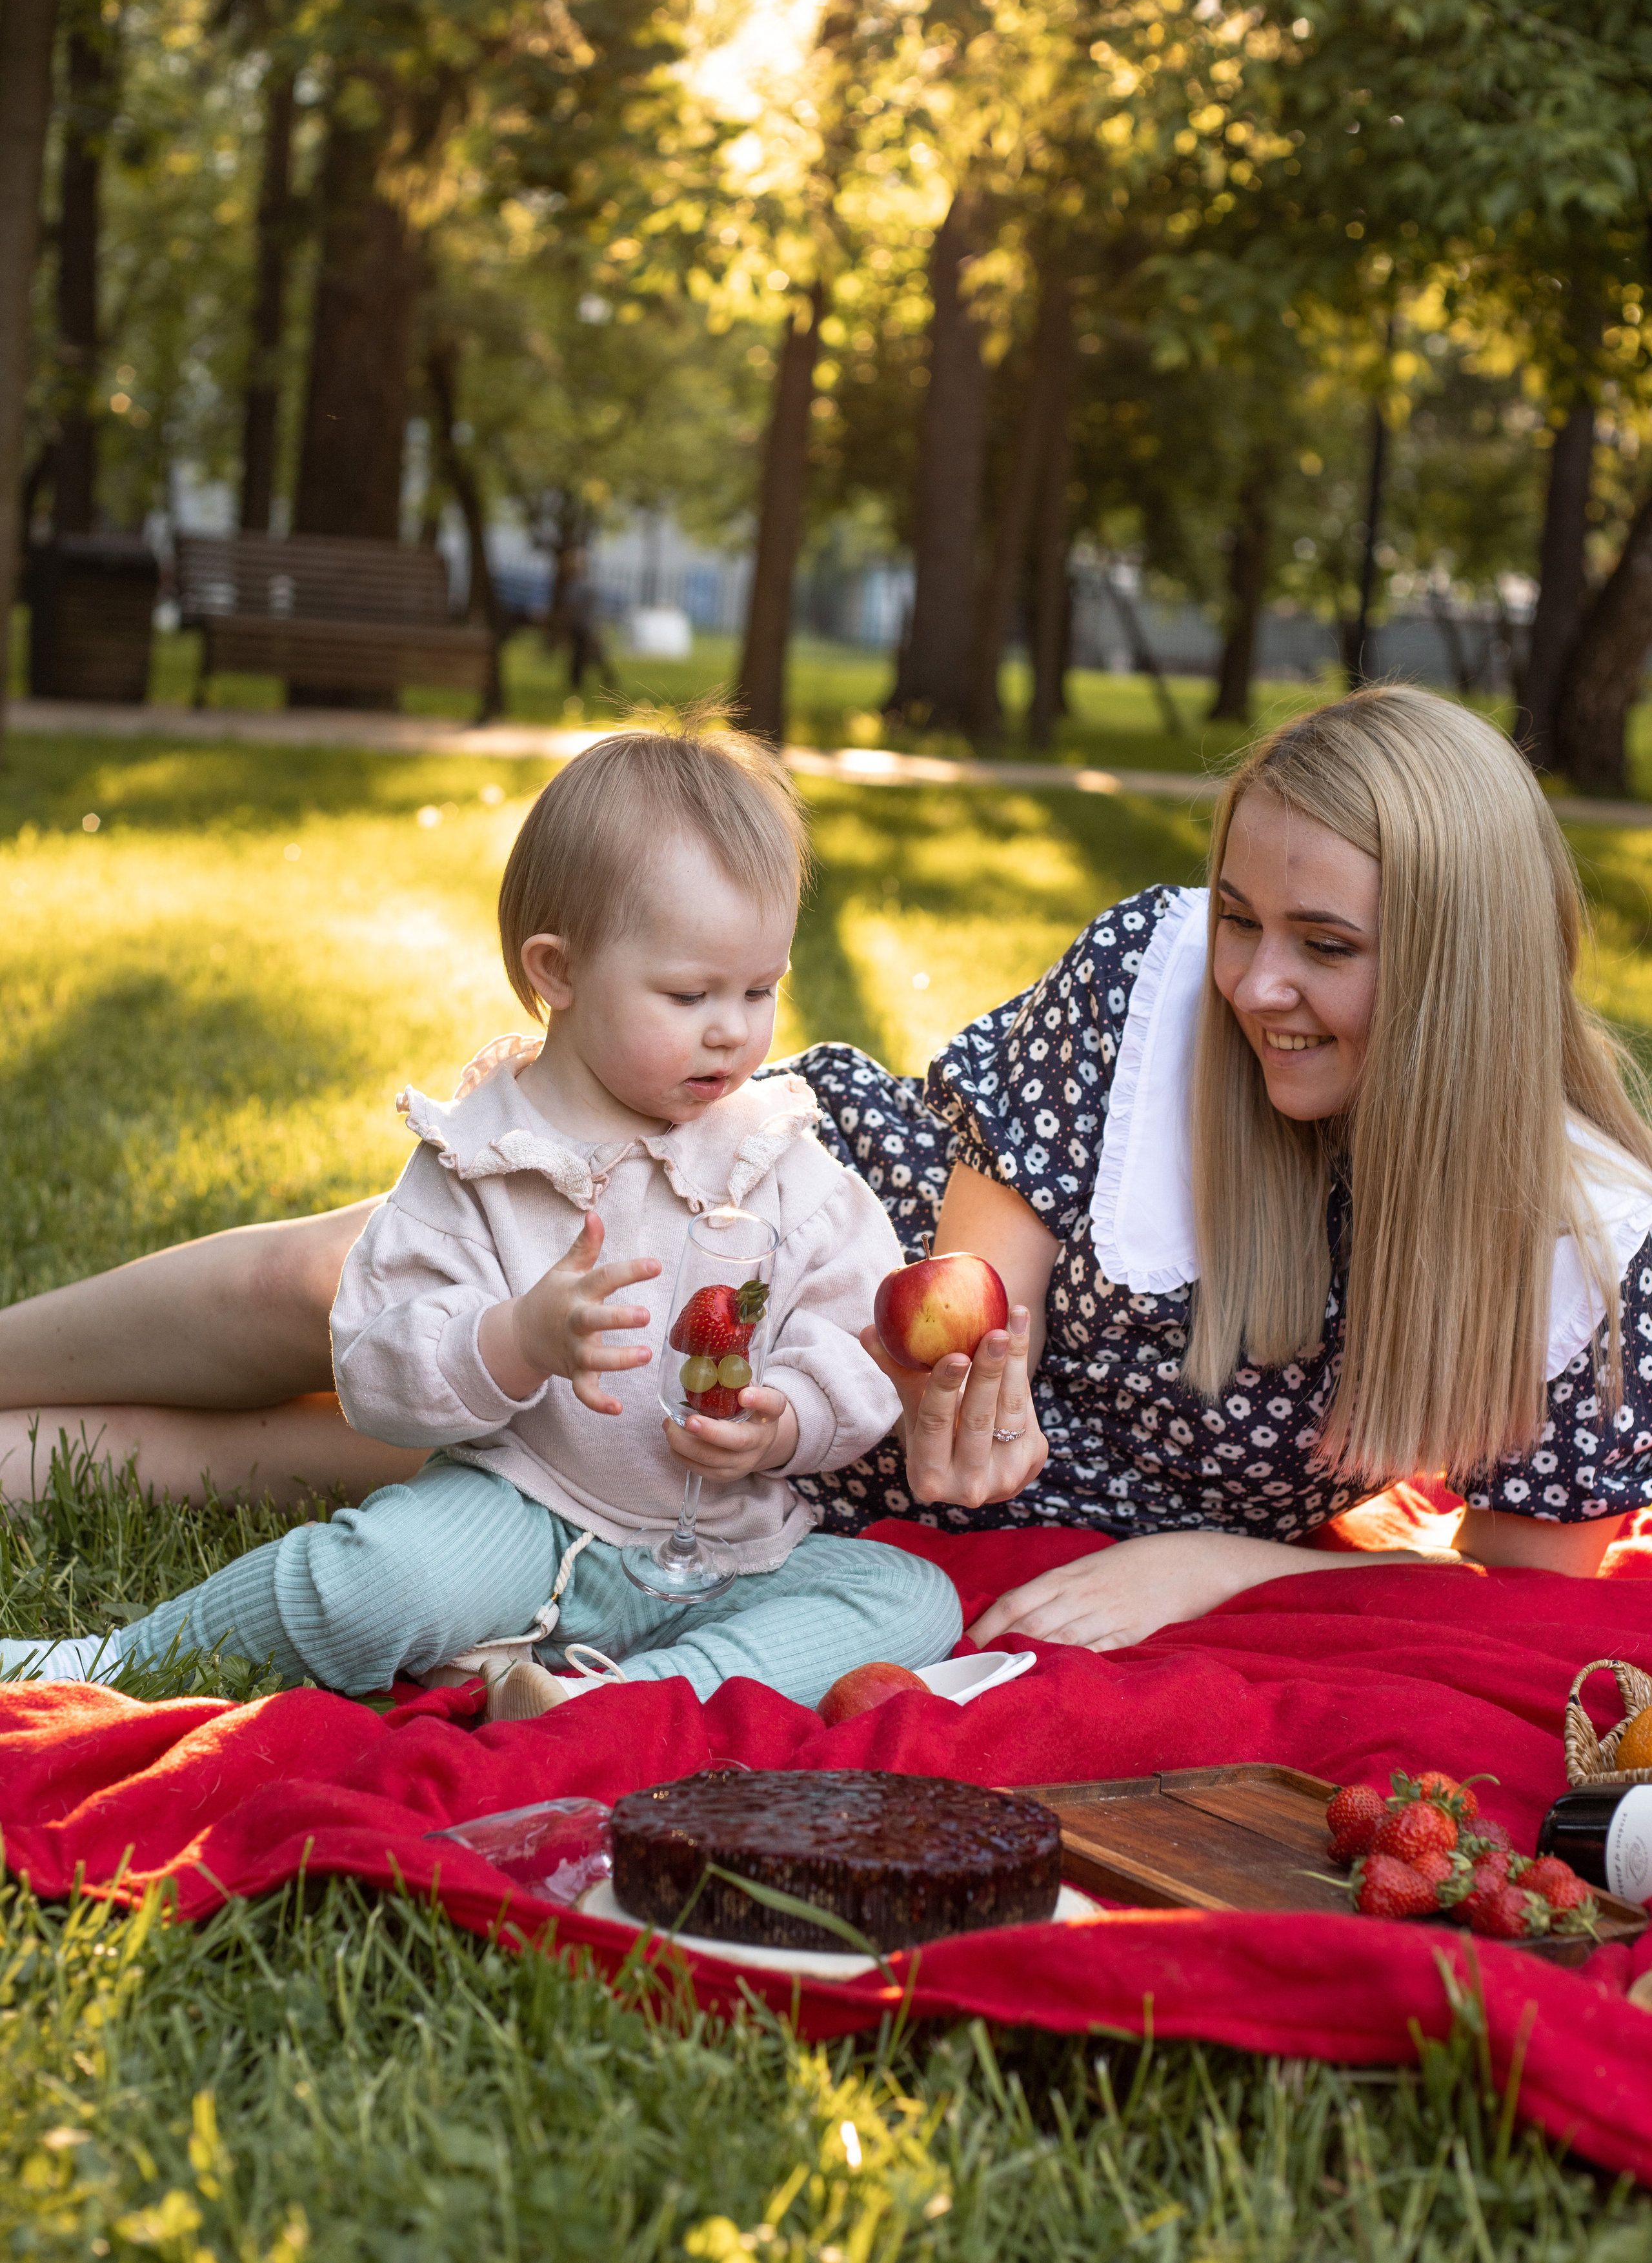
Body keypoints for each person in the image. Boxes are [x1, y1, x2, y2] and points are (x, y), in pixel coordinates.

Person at [5, 688, 1649, 1654]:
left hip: (787, 1492)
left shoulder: (1575, 1250)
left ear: (1461, 970)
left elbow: (1512, 1594)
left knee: (331, 1472)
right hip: (802, 1284)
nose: (1251, 981)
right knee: (328, 1295)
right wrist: (952, 1371)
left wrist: (1226, 1561)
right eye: (1240, 916)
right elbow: (955, 1278)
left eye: (1325, 945)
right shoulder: (1155, 986)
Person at [0, 728, 962, 1710]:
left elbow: (854, 1329)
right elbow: (380, 1370)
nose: (734, 1027)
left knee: (911, 1601)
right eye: (689, 993)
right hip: (521, 1507)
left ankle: (616, 1703)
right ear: (558, 971)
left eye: (761, 990)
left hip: (729, 1543)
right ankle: (108, 1657)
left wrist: (788, 1417)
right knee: (376, 1577)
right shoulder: (488, 1158)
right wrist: (513, 1340)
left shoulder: (775, 1154)